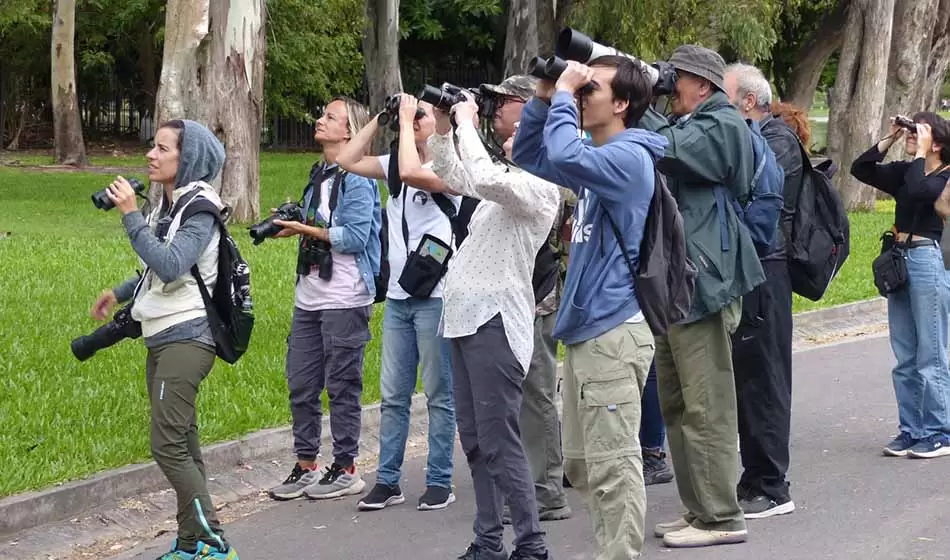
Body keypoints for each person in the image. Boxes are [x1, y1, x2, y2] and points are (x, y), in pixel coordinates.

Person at [514, 55, 668, 560]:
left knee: (613, 465)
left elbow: (561, 148)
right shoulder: (600, 159)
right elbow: (537, 154)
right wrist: (543, 97)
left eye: (590, 89)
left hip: (612, 331)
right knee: (583, 465)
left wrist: (562, 92)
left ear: (621, 104)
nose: (579, 94)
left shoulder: (627, 160)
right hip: (585, 333)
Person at [92, 119, 238, 559]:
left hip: (188, 338)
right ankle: (191, 544)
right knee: (184, 444)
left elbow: (173, 264)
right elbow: (155, 268)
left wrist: (129, 215)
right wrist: (118, 292)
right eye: (152, 147)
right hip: (163, 335)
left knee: (167, 445)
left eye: (162, 148)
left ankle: (214, 544)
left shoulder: (199, 211)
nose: (151, 155)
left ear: (187, 159)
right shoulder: (171, 207)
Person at [638, 46, 764, 548]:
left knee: (706, 403)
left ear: (704, 86)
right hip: (677, 280)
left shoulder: (722, 123)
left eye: (679, 79)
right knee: (677, 402)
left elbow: (663, 146)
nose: (672, 86)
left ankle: (721, 516)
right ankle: (697, 509)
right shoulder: (689, 118)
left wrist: (640, 95)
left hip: (702, 282)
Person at [429, 91, 558, 560]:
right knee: (477, 441)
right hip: (464, 322)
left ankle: (530, 543)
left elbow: (481, 174)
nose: (511, 133)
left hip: (495, 325)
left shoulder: (540, 190)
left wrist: (466, 120)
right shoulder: (503, 187)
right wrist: (445, 127)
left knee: (499, 439)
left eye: (525, 131)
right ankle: (488, 540)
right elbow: (453, 174)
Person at [337, 94, 459, 511]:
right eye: (414, 114)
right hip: (400, 297)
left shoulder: (449, 166)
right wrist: (381, 118)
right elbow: (349, 160)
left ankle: (440, 478)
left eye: (423, 114)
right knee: (393, 394)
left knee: (440, 394)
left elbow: (412, 170)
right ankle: (388, 479)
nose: (415, 119)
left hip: (437, 295)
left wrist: (407, 122)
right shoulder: (394, 164)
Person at [266, 97, 382, 501]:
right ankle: (306, 465)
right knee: (300, 383)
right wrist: (291, 226)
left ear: (349, 131)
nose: (319, 120)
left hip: (346, 296)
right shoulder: (319, 174)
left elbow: (354, 238)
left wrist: (307, 229)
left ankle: (346, 467)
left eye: (329, 117)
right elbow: (319, 225)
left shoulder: (360, 179)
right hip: (310, 296)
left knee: (342, 385)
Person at [482, 75, 574, 523]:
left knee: (537, 388)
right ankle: (523, 484)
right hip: (507, 287)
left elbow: (560, 209)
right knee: (513, 391)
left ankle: (546, 489)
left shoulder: (548, 156)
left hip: (538, 287)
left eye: (504, 101)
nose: (494, 108)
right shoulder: (508, 156)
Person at [723, 63, 802, 519]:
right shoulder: (764, 135)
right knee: (750, 377)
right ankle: (755, 476)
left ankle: (772, 485)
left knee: (766, 378)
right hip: (753, 269)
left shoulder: (776, 140)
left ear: (748, 102)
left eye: (725, 97)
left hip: (769, 270)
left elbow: (752, 193)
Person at [850, 112, 950, 459]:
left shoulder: (945, 177)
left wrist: (920, 152)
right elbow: (861, 168)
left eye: (918, 132)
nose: (912, 137)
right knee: (905, 354)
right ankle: (912, 429)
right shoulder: (908, 171)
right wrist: (890, 138)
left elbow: (921, 192)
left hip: (928, 260)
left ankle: (939, 431)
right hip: (899, 259)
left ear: (936, 142)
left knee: (931, 353)